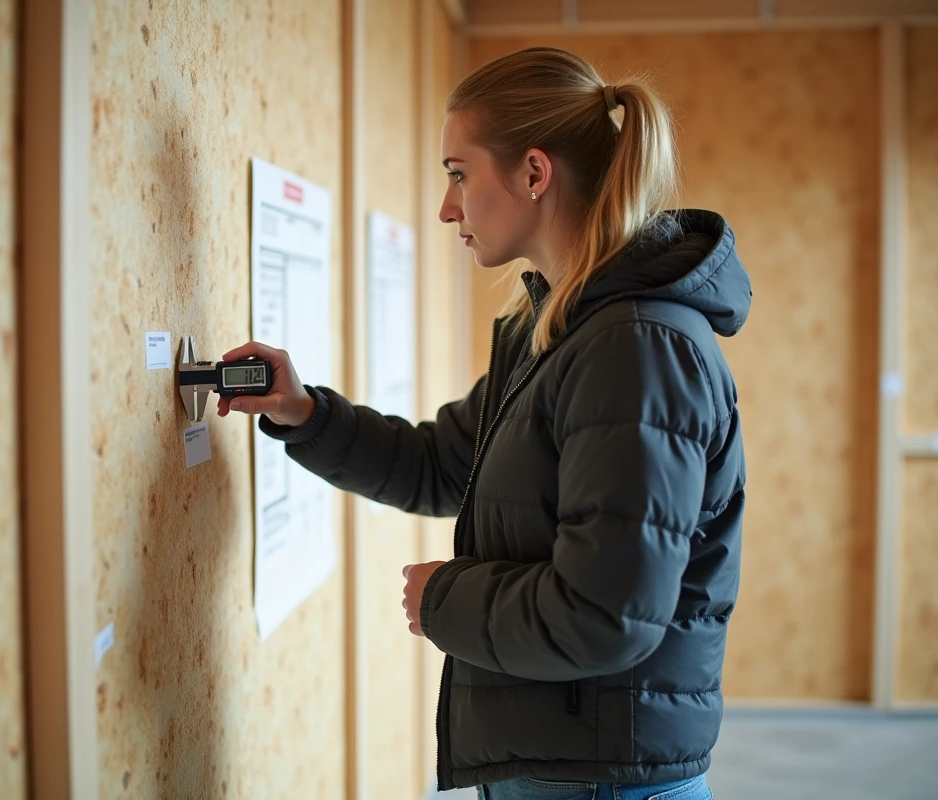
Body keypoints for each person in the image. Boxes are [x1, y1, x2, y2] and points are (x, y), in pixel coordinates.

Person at [221, 46, 749, 800]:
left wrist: (444, 599)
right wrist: (303, 412)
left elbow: (607, 615)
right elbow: (442, 464)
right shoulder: (559, 329)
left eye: (458, 174)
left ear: (534, 174)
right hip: (562, 760)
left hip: (601, 779)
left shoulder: (634, 351)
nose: (446, 206)